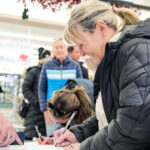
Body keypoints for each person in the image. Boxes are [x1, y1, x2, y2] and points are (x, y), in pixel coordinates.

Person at [52, 1, 150, 150]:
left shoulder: (135, 52)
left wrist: (84, 147)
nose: (81, 52)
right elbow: (110, 115)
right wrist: (79, 134)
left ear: (101, 28)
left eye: (81, 43)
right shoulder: (115, 58)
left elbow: (134, 124)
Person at [38, 39, 82, 137]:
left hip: (71, 109)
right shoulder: (47, 65)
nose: (59, 50)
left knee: (70, 138)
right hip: (52, 110)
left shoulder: (75, 66)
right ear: (53, 50)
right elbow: (41, 88)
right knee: (53, 138)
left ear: (65, 49)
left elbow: (80, 87)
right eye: (56, 48)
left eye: (61, 47)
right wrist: (44, 110)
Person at [22, 47, 51, 140]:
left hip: (45, 111)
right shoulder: (34, 71)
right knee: (31, 136)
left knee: (43, 139)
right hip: (34, 111)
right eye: (48, 58)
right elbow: (25, 88)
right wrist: (37, 101)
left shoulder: (49, 72)